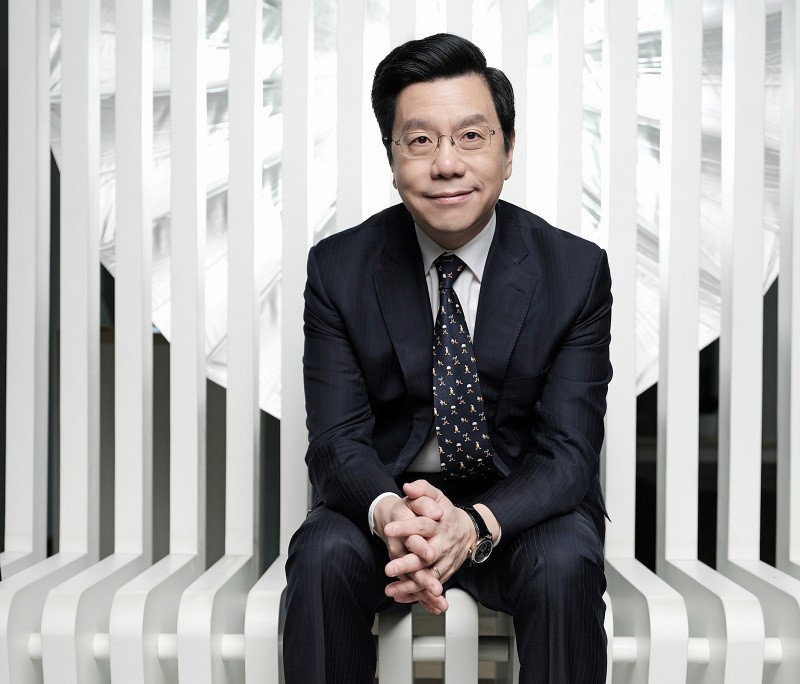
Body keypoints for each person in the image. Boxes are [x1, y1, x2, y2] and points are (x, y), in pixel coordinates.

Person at [283, 33, 611, 683]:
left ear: (508, 152)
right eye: (420, 140)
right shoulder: (339, 269)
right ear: (392, 157)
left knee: (566, 561)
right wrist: (393, 515)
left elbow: (567, 454)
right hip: (391, 509)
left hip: (519, 514)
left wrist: (474, 523)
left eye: (471, 137)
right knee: (321, 553)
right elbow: (336, 442)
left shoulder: (574, 271)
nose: (447, 163)